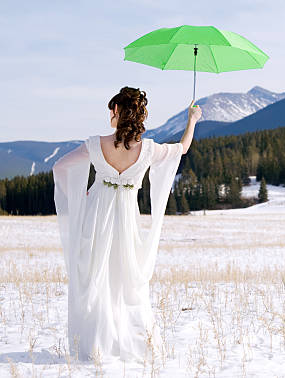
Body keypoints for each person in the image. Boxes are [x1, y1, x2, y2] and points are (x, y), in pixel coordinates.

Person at [52, 86, 202, 363]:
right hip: (126, 220)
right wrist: (191, 119)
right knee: (126, 279)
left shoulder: (96, 144)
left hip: (96, 218)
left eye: (112, 109)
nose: (110, 114)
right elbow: (182, 149)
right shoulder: (148, 150)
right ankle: (130, 340)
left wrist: (81, 196)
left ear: (117, 112)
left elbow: (60, 168)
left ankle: (95, 342)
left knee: (95, 278)